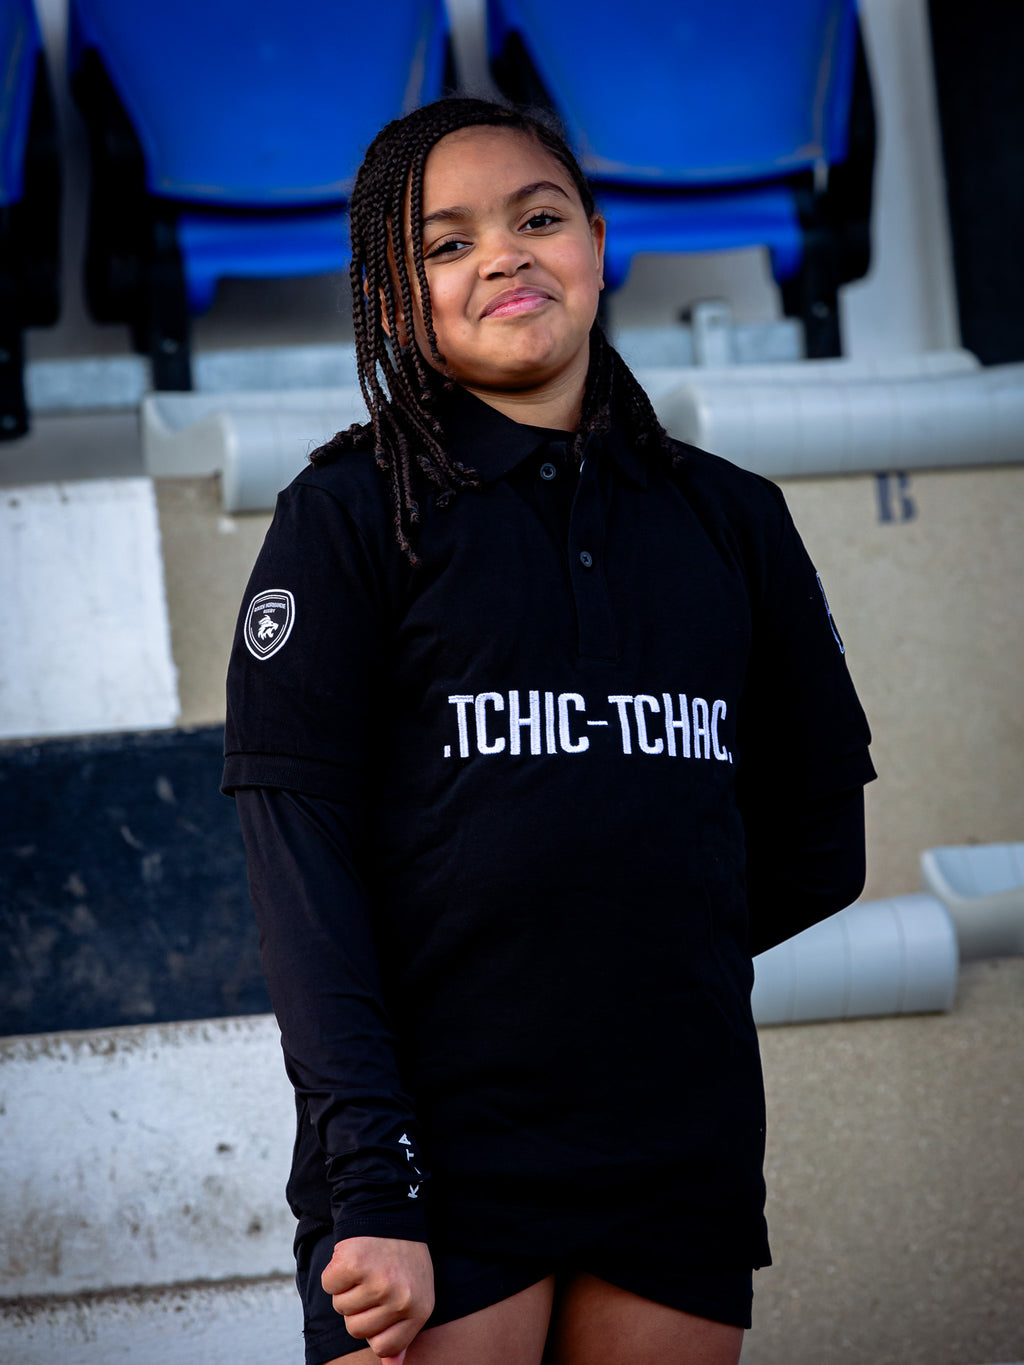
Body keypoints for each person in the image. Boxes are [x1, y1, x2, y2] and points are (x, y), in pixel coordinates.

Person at [223, 97, 875, 1365]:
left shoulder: (733, 520)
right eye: (447, 243)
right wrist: (372, 1182)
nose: (504, 258)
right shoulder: (347, 517)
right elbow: (302, 884)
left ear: (597, 241)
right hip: (431, 1156)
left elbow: (817, 850)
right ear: (393, 302)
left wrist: (619, 951)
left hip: (676, 1147)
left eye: (537, 219)